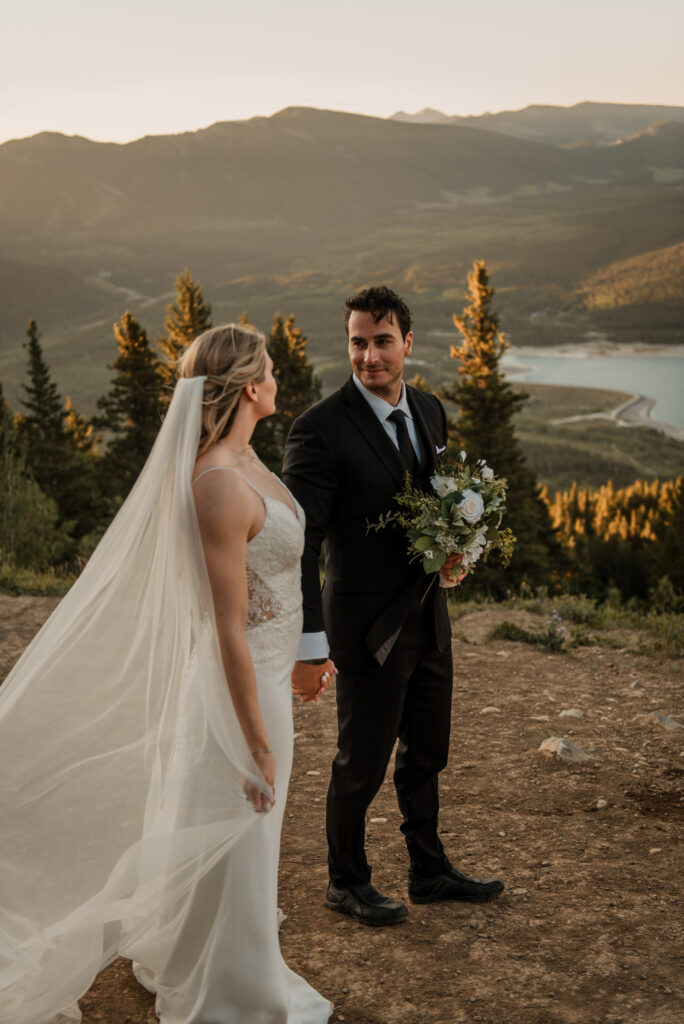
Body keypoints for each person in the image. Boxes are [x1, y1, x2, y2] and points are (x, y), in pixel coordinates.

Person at [0, 325, 331, 1023]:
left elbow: (281, 583)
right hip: (240, 688)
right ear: (249, 387)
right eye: (269, 371)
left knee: (250, 832)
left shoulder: (247, 460)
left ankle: (221, 952)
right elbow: (223, 625)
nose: (277, 380)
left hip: (273, 672)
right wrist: (256, 741)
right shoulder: (216, 483)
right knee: (245, 821)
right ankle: (232, 987)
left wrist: (304, 652)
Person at [283, 287, 504, 926]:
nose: (369, 355)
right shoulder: (319, 428)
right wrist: (310, 643)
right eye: (358, 342)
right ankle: (345, 881)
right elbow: (302, 543)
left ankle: (429, 871)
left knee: (427, 751)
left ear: (407, 343)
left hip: (428, 616)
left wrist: (457, 548)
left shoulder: (430, 410)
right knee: (363, 762)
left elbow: (435, 506)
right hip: (363, 627)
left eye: (382, 342)